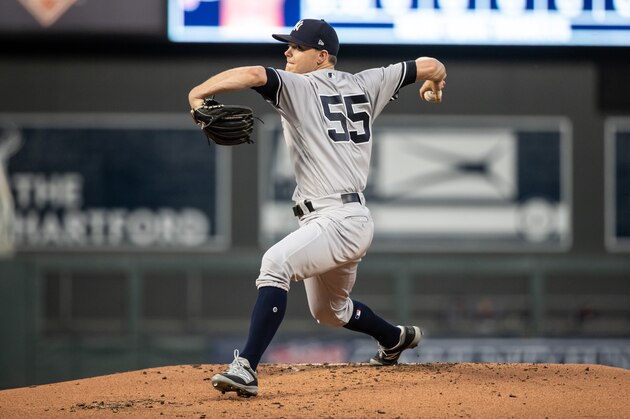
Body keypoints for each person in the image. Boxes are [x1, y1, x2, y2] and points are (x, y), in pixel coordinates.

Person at [188, 18, 447, 398]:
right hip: (346, 220)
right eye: (288, 45)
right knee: (330, 312)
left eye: (296, 47)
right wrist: (434, 83)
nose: (287, 52)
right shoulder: (368, 82)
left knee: (275, 264)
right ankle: (395, 338)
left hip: (337, 221)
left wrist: (197, 93)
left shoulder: (298, 86)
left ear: (322, 55)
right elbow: (431, 64)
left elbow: (251, 73)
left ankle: (245, 366)